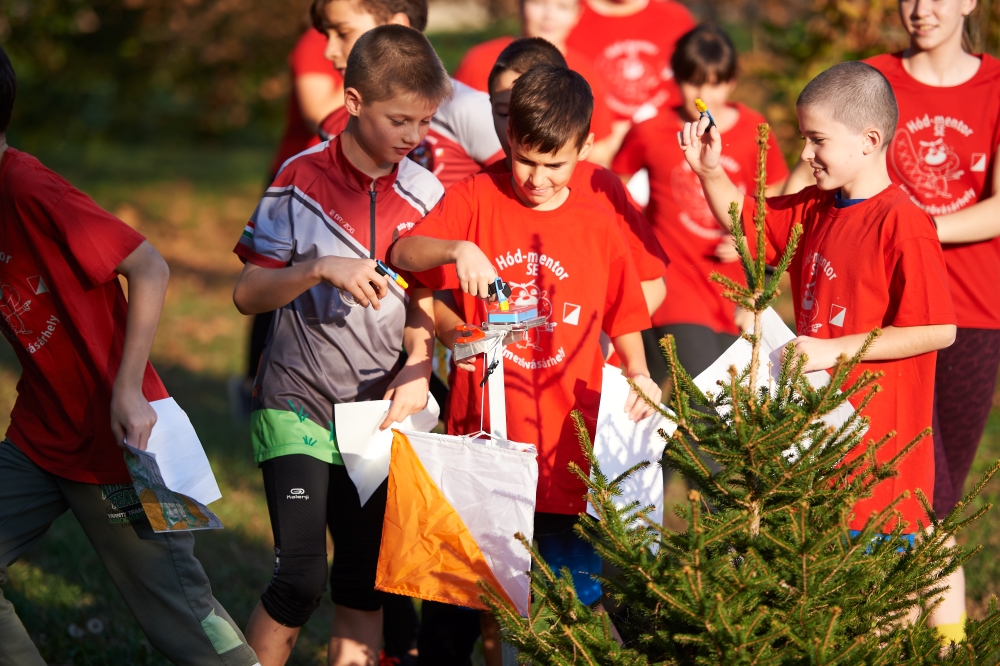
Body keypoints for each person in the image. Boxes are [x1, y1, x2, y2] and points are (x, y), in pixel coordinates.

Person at [390, 64, 663, 663]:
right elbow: (402, 254)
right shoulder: (476, 195)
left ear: (585, 148)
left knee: (569, 611)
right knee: (449, 624)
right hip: (479, 449)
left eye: (554, 164)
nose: (536, 178)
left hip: (566, 451)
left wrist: (639, 374)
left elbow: (626, 311)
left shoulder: (598, 216)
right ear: (507, 137)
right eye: (524, 159)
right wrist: (457, 248)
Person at [0, 46, 261, 666]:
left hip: (119, 449)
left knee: (188, 625)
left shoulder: (30, 188)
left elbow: (148, 265)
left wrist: (127, 391)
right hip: (40, 439)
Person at [681, 57, 956, 583]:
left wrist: (832, 350)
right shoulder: (817, 206)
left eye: (817, 140)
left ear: (869, 140)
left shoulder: (903, 223)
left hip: (878, 469)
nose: (805, 155)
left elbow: (938, 329)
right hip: (812, 458)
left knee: (872, 616)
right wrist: (709, 170)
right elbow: (747, 222)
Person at [232, 25, 449, 666]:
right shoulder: (297, 180)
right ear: (353, 102)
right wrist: (318, 267)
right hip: (295, 402)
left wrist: (417, 366)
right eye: (399, 120)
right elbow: (247, 293)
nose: (414, 138)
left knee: (363, 581)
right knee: (300, 578)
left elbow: (424, 305)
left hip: (376, 417)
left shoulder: (428, 194)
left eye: (425, 122)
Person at [863, 0, 1000, 644]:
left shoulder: (998, 85)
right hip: (886, 314)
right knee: (915, 492)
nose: (921, 9)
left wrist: (912, 231)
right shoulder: (872, 79)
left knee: (939, 497)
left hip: (974, 311)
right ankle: (925, 640)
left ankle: (934, 641)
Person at [612, 24, 789, 383]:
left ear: (732, 80)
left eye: (714, 83)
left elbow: (776, 198)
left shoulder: (754, 128)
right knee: (704, 394)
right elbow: (614, 186)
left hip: (733, 287)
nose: (702, 93)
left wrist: (749, 240)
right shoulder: (651, 130)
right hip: (675, 280)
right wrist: (640, 239)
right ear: (675, 77)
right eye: (693, 81)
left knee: (727, 398)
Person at [237, 25, 347, 424]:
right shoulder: (318, 42)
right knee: (277, 286)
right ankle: (257, 385)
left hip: (354, 185)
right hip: (300, 182)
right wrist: (373, 72)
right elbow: (320, 112)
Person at [314, 0, 504, 190]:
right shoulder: (334, 127)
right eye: (326, 36)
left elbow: (517, 195)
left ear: (396, 26)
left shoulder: (467, 109)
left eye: (343, 33)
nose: (328, 52)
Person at [452, 0, 618, 166]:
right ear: (520, 5)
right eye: (538, 3)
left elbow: (599, 152)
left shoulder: (585, 71)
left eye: (562, 7)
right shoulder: (479, 61)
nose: (549, 16)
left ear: (577, 14)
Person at [565, 0, 695, 141]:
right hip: (595, 145)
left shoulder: (676, 18)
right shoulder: (567, 13)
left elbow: (698, 86)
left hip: (670, 141)